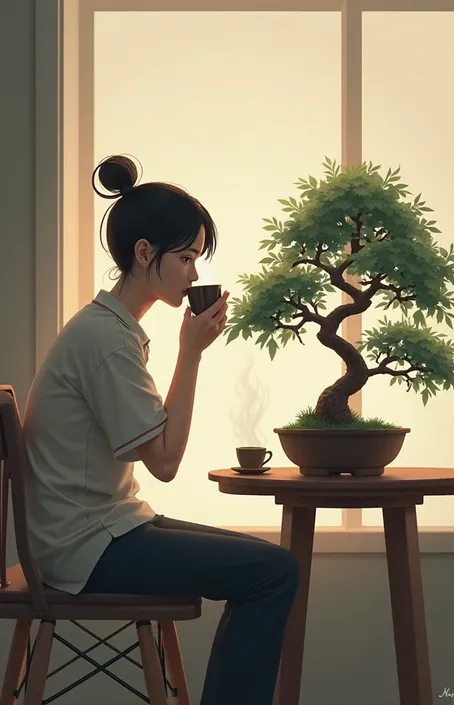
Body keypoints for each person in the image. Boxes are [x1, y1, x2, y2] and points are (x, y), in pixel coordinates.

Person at [22, 155, 300, 705]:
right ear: (145, 253)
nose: (195, 273)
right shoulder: (106, 342)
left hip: (105, 527)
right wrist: (190, 354)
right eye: (186, 257)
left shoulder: (112, 330)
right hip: (86, 547)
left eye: (198, 257)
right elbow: (167, 464)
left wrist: (187, 350)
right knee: (272, 574)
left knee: (273, 565)